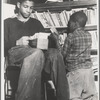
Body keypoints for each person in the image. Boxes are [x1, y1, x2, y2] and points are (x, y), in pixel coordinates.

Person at [4, 0, 69, 100]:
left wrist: (52, 39)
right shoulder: (7, 22)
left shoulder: (36, 23)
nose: (29, 10)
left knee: (55, 54)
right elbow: (3, 45)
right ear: (18, 5)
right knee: (36, 53)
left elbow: (47, 45)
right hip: (16, 53)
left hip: (37, 54)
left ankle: (64, 98)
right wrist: (17, 42)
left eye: (31, 8)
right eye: (26, 7)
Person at [51, 11, 98, 100]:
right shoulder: (89, 35)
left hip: (75, 72)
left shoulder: (71, 36)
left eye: (69, 23)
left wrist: (56, 41)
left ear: (75, 24)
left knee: (74, 97)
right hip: (88, 71)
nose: (68, 26)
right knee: (90, 97)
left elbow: (62, 55)